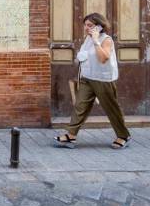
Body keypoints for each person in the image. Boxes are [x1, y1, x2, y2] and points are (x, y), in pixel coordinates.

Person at [54, 13, 131, 149]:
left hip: (103, 79)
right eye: (85, 25)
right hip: (87, 78)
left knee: (111, 108)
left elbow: (103, 58)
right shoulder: (87, 39)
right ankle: (71, 136)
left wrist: (96, 41)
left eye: (90, 25)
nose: (86, 28)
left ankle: (123, 135)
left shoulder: (106, 40)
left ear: (99, 26)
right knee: (80, 106)